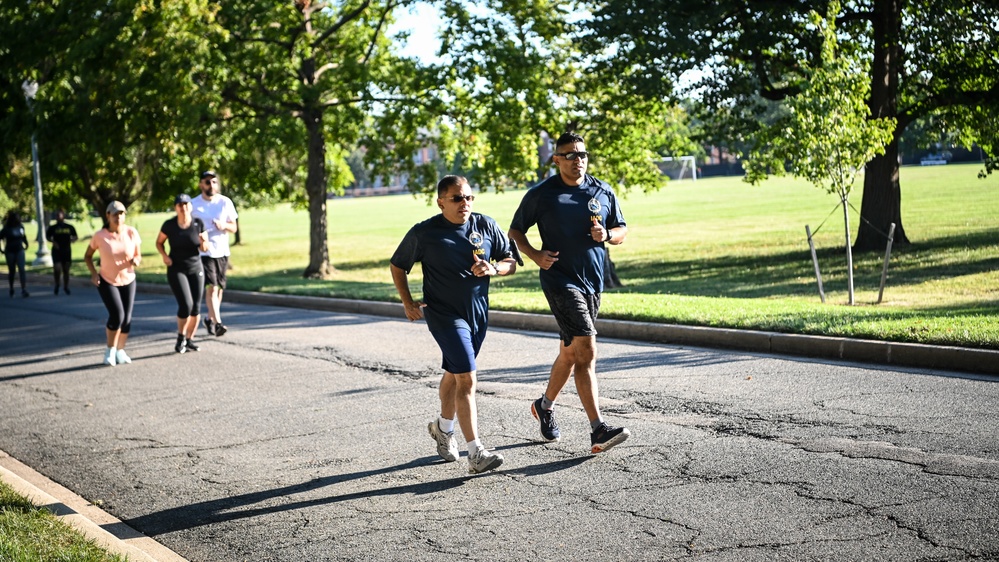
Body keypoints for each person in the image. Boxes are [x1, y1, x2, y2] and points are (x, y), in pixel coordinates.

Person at [508, 131, 631, 454]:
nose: (579, 160)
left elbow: (621, 229)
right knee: (586, 349)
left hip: (593, 281)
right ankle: (598, 429)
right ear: (557, 159)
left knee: (570, 353)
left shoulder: (602, 190)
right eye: (571, 155)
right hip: (560, 280)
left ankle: (544, 406)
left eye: (583, 154)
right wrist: (534, 255)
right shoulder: (543, 194)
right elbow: (515, 230)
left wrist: (608, 234)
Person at [390, 175, 517, 474]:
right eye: (458, 198)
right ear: (441, 202)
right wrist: (407, 301)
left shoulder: (485, 225)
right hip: (444, 315)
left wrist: (494, 268)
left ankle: (442, 429)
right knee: (467, 379)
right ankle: (476, 453)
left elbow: (510, 261)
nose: (465, 204)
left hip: (477, 313)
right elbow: (398, 264)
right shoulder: (425, 232)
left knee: (455, 372)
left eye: (469, 198)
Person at [84, 201, 142, 367]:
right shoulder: (100, 236)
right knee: (117, 315)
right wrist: (94, 274)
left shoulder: (131, 232)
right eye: (115, 214)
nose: (119, 217)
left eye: (122, 213)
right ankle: (110, 350)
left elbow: (138, 254)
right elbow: (87, 256)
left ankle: (120, 350)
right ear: (108, 215)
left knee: (127, 320)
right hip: (107, 280)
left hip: (128, 279)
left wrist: (136, 260)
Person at [156, 194, 209, 354]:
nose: (183, 207)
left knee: (196, 308)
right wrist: (165, 256)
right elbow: (159, 242)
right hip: (177, 268)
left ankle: (189, 339)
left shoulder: (198, 223)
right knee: (186, 305)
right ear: (176, 208)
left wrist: (203, 241)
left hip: (195, 267)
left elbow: (204, 249)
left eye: (186, 204)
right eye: (180, 205)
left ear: (190, 207)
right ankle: (180, 338)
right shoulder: (170, 225)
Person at [191, 170, 238, 337]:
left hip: (222, 250)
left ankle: (209, 319)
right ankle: (218, 323)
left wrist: (223, 226)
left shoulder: (225, 202)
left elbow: (234, 227)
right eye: (207, 182)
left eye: (213, 182)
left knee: (219, 289)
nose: (211, 185)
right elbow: (187, 227)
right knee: (212, 287)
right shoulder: (193, 204)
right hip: (204, 252)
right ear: (201, 184)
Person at [46, 209, 79, 295]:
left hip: (66, 250)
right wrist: (53, 242)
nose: (58, 217)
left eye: (59, 215)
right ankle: (57, 284)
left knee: (66, 270)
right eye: (57, 215)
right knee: (57, 268)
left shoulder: (69, 227)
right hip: (57, 251)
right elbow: (48, 237)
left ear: (63, 216)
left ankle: (66, 286)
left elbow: (75, 236)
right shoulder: (53, 227)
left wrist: (73, 240)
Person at [1, 211, 30, 298]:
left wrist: (26, 243)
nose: (19, 219)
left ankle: (23, 289)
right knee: (12, 270)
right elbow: (0, 238)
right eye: (17, 217)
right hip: (10, 251)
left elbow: (23, 236)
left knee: (22, 269)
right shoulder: (6, 228)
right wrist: (1, 249)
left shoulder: (21, 226)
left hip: (19, 250)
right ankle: (11, 288)